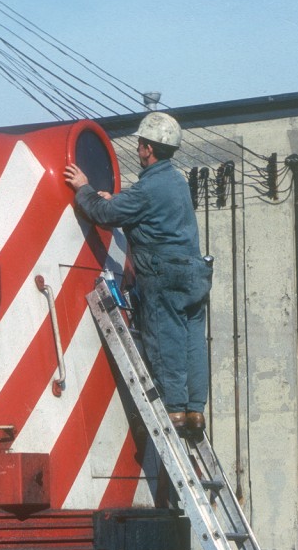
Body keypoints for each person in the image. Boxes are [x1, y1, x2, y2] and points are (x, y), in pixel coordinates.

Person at [64, 111, 211, 433]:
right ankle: (195, 410)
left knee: (166, 335)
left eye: (141, 145)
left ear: (148, 148)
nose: (138, 150)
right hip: (194, 273)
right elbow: (148, 215)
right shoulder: (177, 182)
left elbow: (103, 214)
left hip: (164, 273)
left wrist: (84, 189)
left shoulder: (147, 188)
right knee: (192, 341)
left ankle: (174, 410)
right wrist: (119, 202)